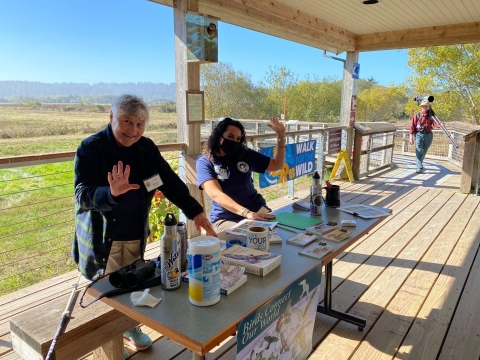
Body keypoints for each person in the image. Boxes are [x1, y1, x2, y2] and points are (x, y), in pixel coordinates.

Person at [71, 94, 216, 356]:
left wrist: (195, 212)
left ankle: (129, 327)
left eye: (140, 124)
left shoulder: (146, 149)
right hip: (103, 239)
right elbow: (81, 195)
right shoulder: (91, 148)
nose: (133, 130)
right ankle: (109, 344)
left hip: (135, 232)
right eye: (127, 121)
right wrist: (111, 192)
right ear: (111, 117)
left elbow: (169, 182)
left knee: (132, 282)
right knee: (107, 292)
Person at [196, 117, 287, 233]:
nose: (234, 141)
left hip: (257, 210)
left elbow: (277, 165)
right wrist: (247, 213)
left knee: (280, 233)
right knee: (251, 236)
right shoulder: (205, 162)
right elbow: (216, 195)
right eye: (230, 136)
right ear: (218, 136)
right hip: (226, 219)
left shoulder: (245, 154)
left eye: (238, 139)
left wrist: (281, 136)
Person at [409, 99, 440, 173]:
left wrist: (440, 124)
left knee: (424, 151)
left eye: (426, 106)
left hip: (428, 135)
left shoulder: (431, 116)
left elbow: (436, 124)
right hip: (419, 134)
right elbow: (412, 127)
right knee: (419, 150)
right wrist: (411, 138)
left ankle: (420, 164)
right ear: (421, 107)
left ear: (428, 107)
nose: (425, 108)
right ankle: (419, 167)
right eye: (423, 106)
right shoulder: (417, 115)